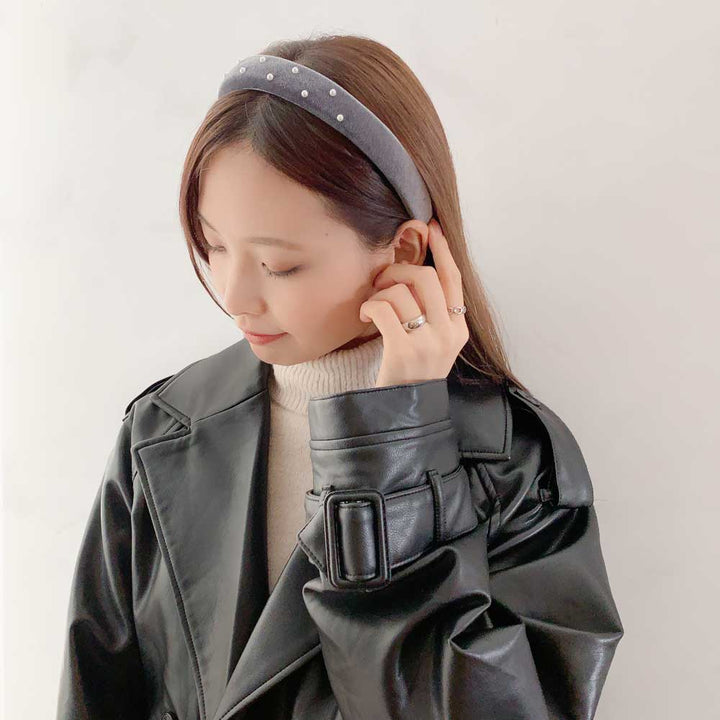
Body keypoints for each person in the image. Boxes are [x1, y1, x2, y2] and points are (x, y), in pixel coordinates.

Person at [56, 34, 624, 720]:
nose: (234, 296)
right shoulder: (163, 433)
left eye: (279, 265)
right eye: (213, 245)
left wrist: (394, 447)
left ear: (404, 249)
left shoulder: (514, 463)